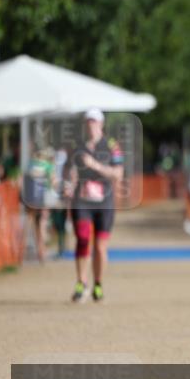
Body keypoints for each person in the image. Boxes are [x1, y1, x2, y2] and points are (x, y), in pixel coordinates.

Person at [69, 108, 124, 303]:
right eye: (88, 122)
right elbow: (71, 172)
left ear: (101, 124)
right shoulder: (78, 147)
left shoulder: (112, 146)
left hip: (104, 203)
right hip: (82, 201)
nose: (91, 125)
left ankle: (98, 284)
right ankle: (81, 282)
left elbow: (118, 174)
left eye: (94, 121)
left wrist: (95, 165)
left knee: (100, 247)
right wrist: (69, 185)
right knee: (83, 239)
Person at [23, 147, 55, 264]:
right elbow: (52, 182)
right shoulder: (48, 165)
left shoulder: (30, 164)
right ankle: (42, 253)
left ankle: (21, 251)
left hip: (30, 199)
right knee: (41, 224)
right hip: (42, 200)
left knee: (29, 223)